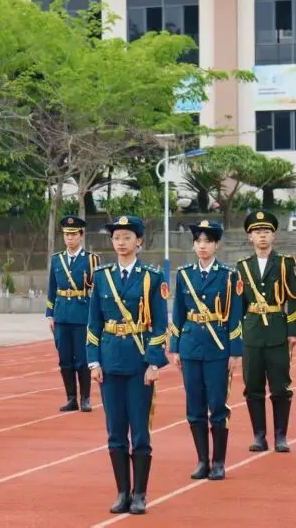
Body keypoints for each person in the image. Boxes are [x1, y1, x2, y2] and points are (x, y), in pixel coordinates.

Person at [87, 215, 169, 515]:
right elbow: (93, 322)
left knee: (140, 433)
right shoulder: (101, 276)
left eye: (126, 237)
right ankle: (122, 491)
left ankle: (140, 494)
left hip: (139, 364)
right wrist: (93, 361)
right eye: (116, 238)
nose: (120, 243)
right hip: (109, 362)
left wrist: (153, 362)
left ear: (139, 241)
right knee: (115, 432)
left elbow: (161, 324)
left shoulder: (151, 277)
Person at [168, 220, 243, 481]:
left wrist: (235, 351)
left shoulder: (228, 275)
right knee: (194, 406)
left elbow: (234, 315)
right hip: (190, 345)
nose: (202, 246)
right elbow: (178, 313)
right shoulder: (185, 274)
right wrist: (175, 347)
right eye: (198, 242)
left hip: (217, 345)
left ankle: (218, 461)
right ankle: (202, 460)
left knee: (217, 405)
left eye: (207, 242)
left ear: (216, 245)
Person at [235, 210, 296, 453]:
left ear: (273, 236)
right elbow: (238, 304)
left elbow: (294, 299)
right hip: (252, 331)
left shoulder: (285, 263)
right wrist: (237, 332)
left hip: (277, 329)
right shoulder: (242, 266)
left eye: (266, 232)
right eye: (256, 232)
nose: (261, 236)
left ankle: (281, 436)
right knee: (252, 386)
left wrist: (294, 330)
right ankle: (259, 436)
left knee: (280, 385)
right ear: (250, 237)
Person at [46, 215, 101, 412]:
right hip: (61, 314)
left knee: (83, 359)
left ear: (81, 235)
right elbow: (52, 288)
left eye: (73, 234)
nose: (69, 238)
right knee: (65, 359)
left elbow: (96, 291)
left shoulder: (92, 260)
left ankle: (85, 397)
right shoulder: (57, 259)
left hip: (82, 313)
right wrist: (50, 314)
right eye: (66, 234)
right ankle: (71, 398)